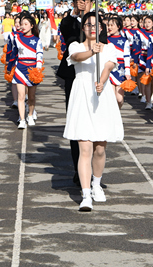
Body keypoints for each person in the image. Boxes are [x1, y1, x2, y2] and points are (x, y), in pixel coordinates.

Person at [64, 11, 123, 212]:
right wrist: (91, 52)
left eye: (95, 24)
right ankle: (86, 194)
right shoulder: (76, 46)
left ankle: (96, 184)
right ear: (83, 28)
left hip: (101, 96)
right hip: (82, 96)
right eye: (88, 24)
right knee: (85, 148)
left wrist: (102, 81)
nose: (91, 28)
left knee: (99, 148)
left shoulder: (110, 48)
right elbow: (76, 57)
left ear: (101, 28)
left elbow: (108, 66)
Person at [56, 0, 94, 187]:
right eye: (79, 0)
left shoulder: (98, 22)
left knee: (95, 122)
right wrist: (76, 13)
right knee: (77, 120)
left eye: (86, 0)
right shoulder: (69, 22)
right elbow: (66, 30)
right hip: (74, 77)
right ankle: (79, 169)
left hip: (94, 75)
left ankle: (93, 169)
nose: (82, 3)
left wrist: (89, 16)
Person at [9, 14, 44, 128]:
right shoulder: (17, 38)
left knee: (31, 97)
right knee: (21, 95)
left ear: (32, 26)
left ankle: (30, 115)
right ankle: (22, 120)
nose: (23, 26)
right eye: (22, 24)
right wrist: (9, 67)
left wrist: (38, 69)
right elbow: (14, 54)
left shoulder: (37, 40)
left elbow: (39, 55)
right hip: (20, 69)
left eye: (26, 24)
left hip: (32, 70)